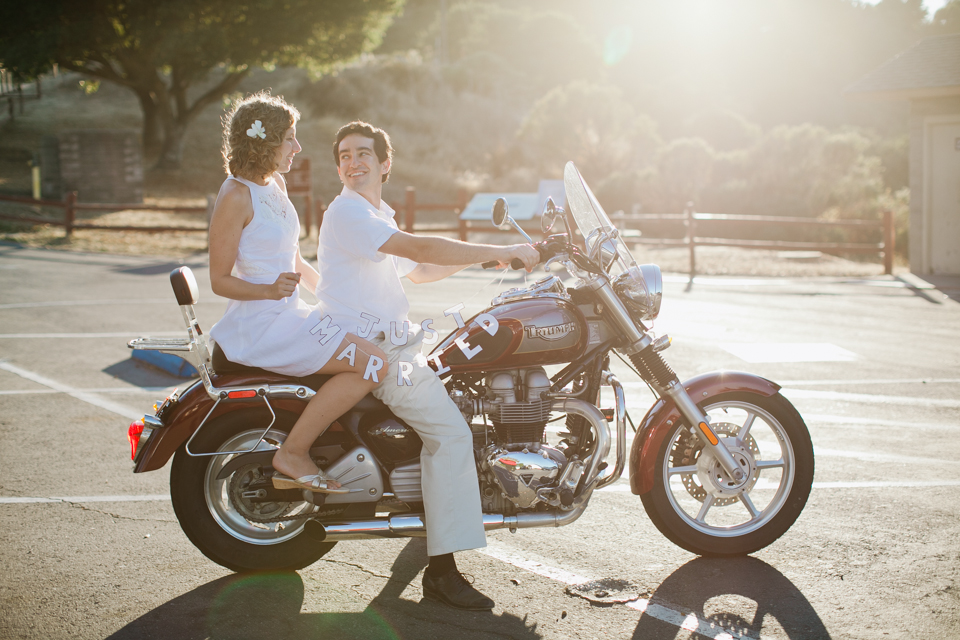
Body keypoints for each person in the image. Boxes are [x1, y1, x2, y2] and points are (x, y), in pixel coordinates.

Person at [316, 121, 539, 610]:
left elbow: (422, 269)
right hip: (376, 350)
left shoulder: (375, 213)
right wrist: (501, 249)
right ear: (339, 167)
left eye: (363, 154)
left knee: (460, 388)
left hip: (391, 342)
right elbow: (418, 249)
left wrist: (486, 260)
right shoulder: (349, 213)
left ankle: (431, 509)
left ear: (385, 163)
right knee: (453, 435)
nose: (354, 163)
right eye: (346, 156)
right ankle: (442, 572)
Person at [207, 93, 387, 494]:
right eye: (290, 138)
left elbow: (292, 259)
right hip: (262, 325)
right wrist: (269, 290)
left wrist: (333, 294)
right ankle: (293, 451)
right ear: (265, 142)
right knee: (373, 363)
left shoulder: (276, 185)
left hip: (291, 315)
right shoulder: (234, 194)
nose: (298, 147)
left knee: (372, 345)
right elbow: (219, 279)